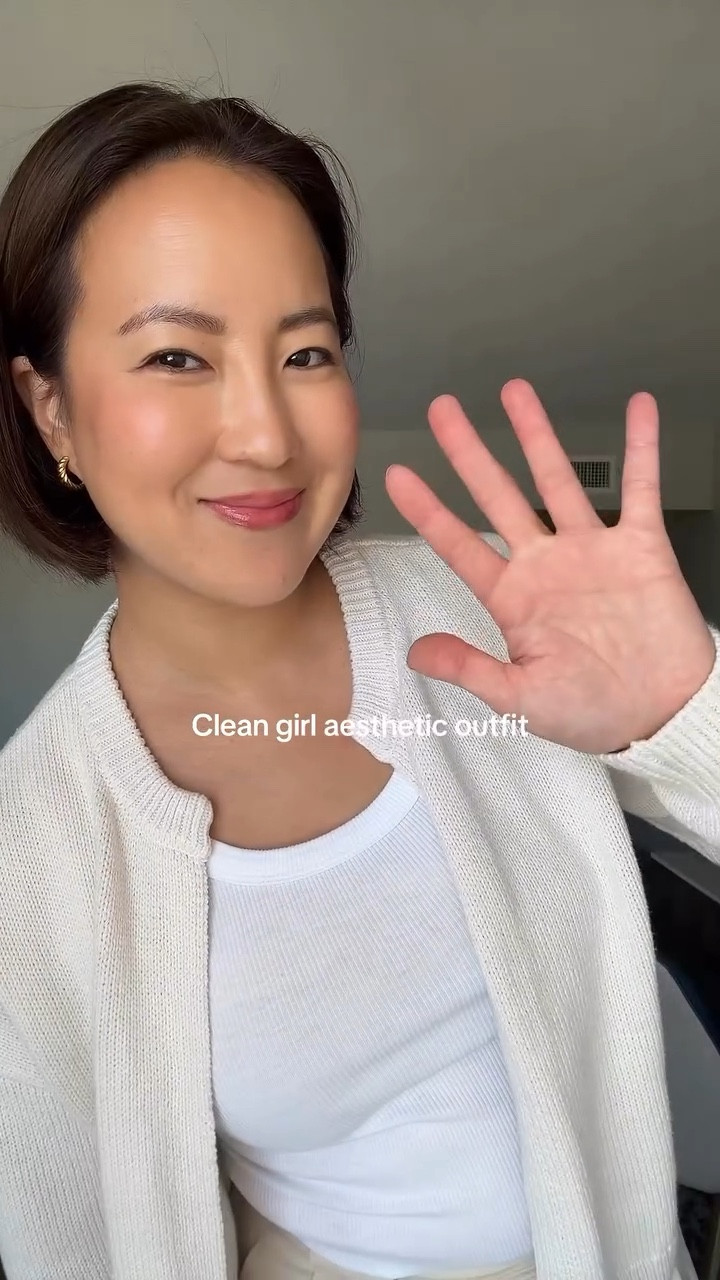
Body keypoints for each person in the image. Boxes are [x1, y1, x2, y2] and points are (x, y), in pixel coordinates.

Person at [0, 81, 717, 1280]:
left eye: (306, 349)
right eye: (177, 354)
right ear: (51, 409)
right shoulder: (32, 857)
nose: (268, 431)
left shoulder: (481, 607)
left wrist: (685, 712)